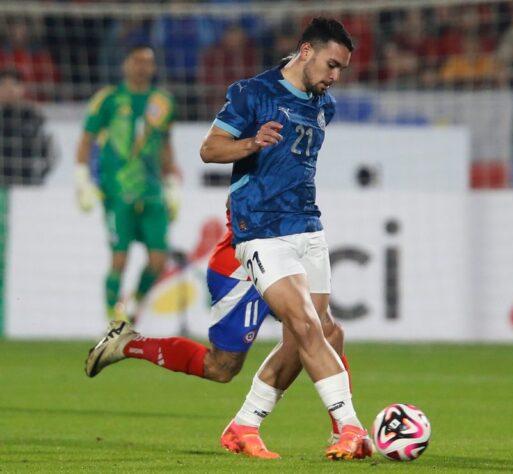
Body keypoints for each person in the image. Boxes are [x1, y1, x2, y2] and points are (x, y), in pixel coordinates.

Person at [198, 17, 371, 461]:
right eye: (332, 65)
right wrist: (252, 143)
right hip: (260, 230)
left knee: (320, 332)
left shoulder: (322, 105)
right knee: (307, 325)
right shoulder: (252, 93)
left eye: (342, 71)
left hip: (308, 227)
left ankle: (244, 424)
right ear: (306, 51)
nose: (335, 77)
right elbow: (210, 149)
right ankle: (351, 429)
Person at [85, 203, 358, 459]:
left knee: (325, 331)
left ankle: (342, 434)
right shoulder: (255, 156)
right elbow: (227, 175)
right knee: (221, 367)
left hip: (287, 253)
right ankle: (128, 343)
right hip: (241, 268)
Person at [75, 45, 181, 322]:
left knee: (158, 261)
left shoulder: (163, 102)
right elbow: (86, 140)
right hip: (117, 191)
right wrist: (82, 179)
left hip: (152, 191)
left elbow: (165, 145)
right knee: (119, 259)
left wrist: (171, 183)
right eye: (137, 61)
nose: (142, 67)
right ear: (125, 65)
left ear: (154, 67)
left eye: (148, 62)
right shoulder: (108, 100)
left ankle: (132, 306)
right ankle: (113, 318)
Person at [0, 68, 56, 185]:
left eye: (14, 84)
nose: (9, 89)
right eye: (3, 84)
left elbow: (50, 149)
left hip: (26, 183)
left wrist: (39, 175)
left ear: (22, 88)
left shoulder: (34, 115)